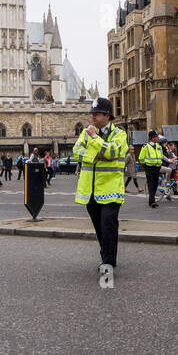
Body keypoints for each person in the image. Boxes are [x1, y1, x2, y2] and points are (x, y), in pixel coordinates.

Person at [73, 97, 128, 281]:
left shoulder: (120, 134)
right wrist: (97, 155)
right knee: (99, 228)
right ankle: (107, 255)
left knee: (108, 225)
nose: (93, 117)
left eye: (96, 114)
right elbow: (76, 152)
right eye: (92, 114)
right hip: (91, 191)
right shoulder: (85, 132)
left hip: (111, 189)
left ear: (107, 115)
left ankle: (108, 263)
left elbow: (113, 152)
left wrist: (95, 140)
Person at [139, 130, 165, 208]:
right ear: (153, 138)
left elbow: (161, 156)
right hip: (149, 168)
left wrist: (160, 164)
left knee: (155, 184)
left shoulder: (159, 146)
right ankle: (152, 201)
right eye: (156, 137)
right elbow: (141, 158)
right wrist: (145, 166)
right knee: (150, 184)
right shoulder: (145, 146)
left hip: (157, 168)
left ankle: (151, 200)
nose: (158, 138)